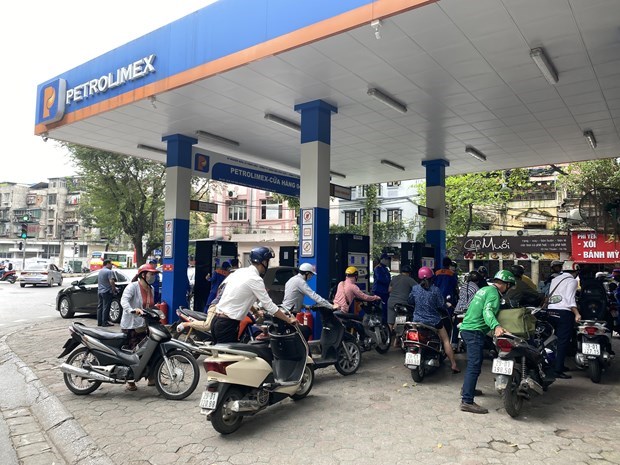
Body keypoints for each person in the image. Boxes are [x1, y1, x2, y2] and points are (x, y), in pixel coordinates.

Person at [210, 246, 297, 344]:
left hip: (217, 320)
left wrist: (255, 312)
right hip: (227, 324)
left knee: (226, 357)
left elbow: (240, 296)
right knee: (231, 358)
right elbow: (269, 306)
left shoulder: (240, 272)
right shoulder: (255, 279)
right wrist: (288, 320)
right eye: (268, 261)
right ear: (264, 262)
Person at [459, 269, 514, 414]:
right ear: (505, 284)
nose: (509, 289)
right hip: (474, 332)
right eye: (509, 286)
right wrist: (496, 326)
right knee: (474, 365)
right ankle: (467, 401)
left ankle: (467, 389)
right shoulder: (494, 294)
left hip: (467, 329)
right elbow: (487, 311)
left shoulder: (485, 289)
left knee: (487, 353)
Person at [407, 266, 459, 373]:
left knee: (413, 337)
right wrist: (446, 305)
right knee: (445, 340)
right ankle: (453, 364)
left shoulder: (415, 289)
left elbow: (410, 301)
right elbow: (441, 304)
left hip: (417, 321)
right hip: (434, 321)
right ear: (432, 278)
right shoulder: (435, 290)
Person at [120, 263, 161, 391]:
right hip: (131, 326)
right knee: (132, 353)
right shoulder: (132, 287)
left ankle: (151, 378)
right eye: (151, 274)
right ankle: (130, 381)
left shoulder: (151, 289)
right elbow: (124, 301)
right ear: (143, 275)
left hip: (145, 326)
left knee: (149, 351)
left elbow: (149, 307)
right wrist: (132, 310)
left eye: (154, 274)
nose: (153, 276)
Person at [547, 263, 581, 379]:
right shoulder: (572, 281)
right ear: (575, 272)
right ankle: (558, 370)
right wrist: (577, 313)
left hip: (551, 312)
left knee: (553, 340)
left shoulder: (555, 279)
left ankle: (555, 364)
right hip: (564, 313)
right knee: (563, 342)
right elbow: (570, 299)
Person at [387, 265, 417, 333]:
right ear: (409, 273)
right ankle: (398, 336)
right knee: (401, 322)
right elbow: (418, 289)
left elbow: (389, 290)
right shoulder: (409, 279)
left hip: (391, 302)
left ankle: (388, 339)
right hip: (402, 304)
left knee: (390, 323)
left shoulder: (394, 278)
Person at [97, 259, 118, 327]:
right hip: (107, 291)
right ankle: (105, 322)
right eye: (111, 264)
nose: (111, 265)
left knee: (100, 307)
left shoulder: (100, 271)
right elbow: (111, 281)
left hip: (100, 291)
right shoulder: (109, 271)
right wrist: (114, 289)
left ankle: (99, 322)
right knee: (106, 307)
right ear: (107, 264)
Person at [372, 253, 392, 323]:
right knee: (377, 308)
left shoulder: (386, 269)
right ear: (382, 259)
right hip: (378, 291)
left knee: (385, 308)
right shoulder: (378, 268)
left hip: (385, 292)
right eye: (386, 259)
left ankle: (384, 322)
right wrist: (388, 282)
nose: (387, 261)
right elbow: (381, 279)